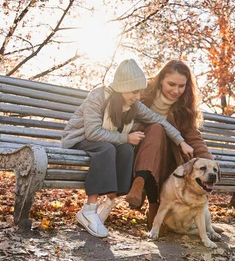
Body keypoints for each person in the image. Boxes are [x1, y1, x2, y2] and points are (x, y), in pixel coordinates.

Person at [61, 59, 192, 238]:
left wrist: (181, 141)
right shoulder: (98, 96)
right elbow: (92, 133)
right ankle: (89, 209)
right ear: (122, 87)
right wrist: (126, 137)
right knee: (108, 148)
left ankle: (109, 202)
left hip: (105, 141)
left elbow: (159, 120)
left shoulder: (134, 106)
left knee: (125, 150)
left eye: (140, 91)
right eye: (135, 91)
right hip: (80, 138)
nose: (138, 96)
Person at [124, 60, 213, 229]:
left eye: (181, 86)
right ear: (161, 80)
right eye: (171, 84)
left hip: (166, 160)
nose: (176, 91)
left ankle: (143, 188)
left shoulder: (184, 108)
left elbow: (193, 137)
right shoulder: (142, 96)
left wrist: (209, 161)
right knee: (156, 129)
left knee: (159, 133)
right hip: (137, 151)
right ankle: (149, 198)